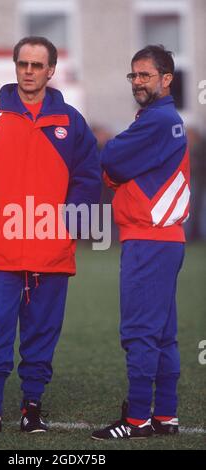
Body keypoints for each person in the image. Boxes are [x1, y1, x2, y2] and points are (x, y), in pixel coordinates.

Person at [0, 36, 101, 436]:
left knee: (42, 332)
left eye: (38, 65)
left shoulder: (71, 121)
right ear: (16, 66)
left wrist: (68, 226)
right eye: (23, 64)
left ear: (51, 70)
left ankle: (32, 406)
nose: (30, 71)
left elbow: (89, 175)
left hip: (51, 251)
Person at [92, 45, 190, 440]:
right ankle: (165, 416)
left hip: (148, 239)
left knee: (139, 332)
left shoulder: (157, 120)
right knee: (163, 333)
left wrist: (116, 172)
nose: (138, 82)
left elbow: (111, 157)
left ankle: (137, 420)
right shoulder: (163, 119)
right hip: (165, 240)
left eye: (145, 75)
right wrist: (118, 171)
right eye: (134, 75)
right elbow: (117, 165)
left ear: (167, 79)